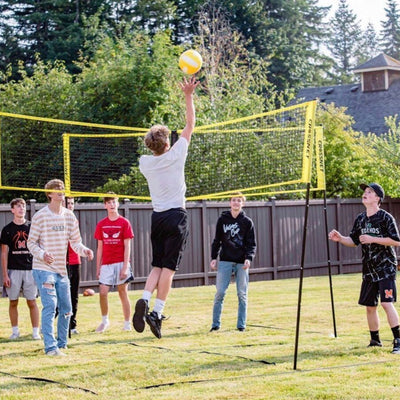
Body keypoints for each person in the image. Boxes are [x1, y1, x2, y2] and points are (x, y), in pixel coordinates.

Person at [132, 76, 199, 339]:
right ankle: (157, 312)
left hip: (157, 218)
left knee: (157, 266)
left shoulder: (145, 163)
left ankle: (145, 297)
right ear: (167, 143)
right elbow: (190, 124)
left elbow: (166, 140)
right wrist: (188, 94)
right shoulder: (177, 153)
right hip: (176, 216)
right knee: (169, 269)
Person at [329, 183, 400, 354]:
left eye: (370, 192)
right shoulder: (361, 219)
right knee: (369, 306)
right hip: (369, 269)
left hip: (386, 268)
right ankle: (375, 340)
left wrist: (373, 238)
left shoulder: (385, 218)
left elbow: (396, 240)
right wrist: (340, 238)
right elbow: (354, 241)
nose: (365, 194)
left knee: (386, 303)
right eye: (365, 192)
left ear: (377, 198)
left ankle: (398, 340)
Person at [27, 179, 94, 356]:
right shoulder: (40, 216)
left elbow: (76, 242)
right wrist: (43, 254)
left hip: (61, 270)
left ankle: (62, 344)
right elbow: (31, 243)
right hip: (43, 268)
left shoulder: (69, 216)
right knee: (50, 306)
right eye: (56, 190)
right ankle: (50, 348)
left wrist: (85, 250)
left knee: (67, 309)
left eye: (62, 189)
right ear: (49, 194)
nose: (61, 192)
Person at [209, 192, 257, 332]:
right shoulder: (222, 220)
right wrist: (213, 257)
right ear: (230, 203)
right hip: (225, 261)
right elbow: (217, 240)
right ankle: (215, 325)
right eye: (233, 200)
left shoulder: (247, 222)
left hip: (242, 263)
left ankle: (241, 326)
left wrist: (248, 258)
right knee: (220, 293)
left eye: (239, 200)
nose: (236, 203)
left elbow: (251, 244)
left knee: (242, 294)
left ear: (243, 203)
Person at [1, 198, 40, 340]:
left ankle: (35, 331)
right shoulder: (7, 230)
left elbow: (38, 248)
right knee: (13, 301)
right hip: (13, 270)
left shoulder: (32, 227)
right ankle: (15, 331)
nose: (21, 208)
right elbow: (4, 253)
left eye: (23, 206)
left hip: (30, 270)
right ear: (12, 210)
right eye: (18, 206)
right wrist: (5, 275)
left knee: (32, 301)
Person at [94, 193, 134, 333]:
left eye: (114, 202)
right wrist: (98, 267)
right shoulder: (101, 224)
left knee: (122, 292)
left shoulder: (124, 223)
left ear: (118, 204)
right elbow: (99, 248)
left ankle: (127, 323)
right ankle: (105, 321)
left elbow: (127, 246)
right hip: (106, 264)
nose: (112, 205)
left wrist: (124, 267)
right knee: (103, 292)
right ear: (105, 205)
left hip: (121, 262)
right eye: (109, 202)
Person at [65, 197, 81, 335]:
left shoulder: (74, 220)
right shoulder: (59, 218)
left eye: (72, 203)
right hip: (62, 262)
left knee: (74, 295)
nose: (70, 206)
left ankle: (72, 324)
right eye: (67, 203)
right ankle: (53, 321)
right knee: (61, 295)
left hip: (75, 261)